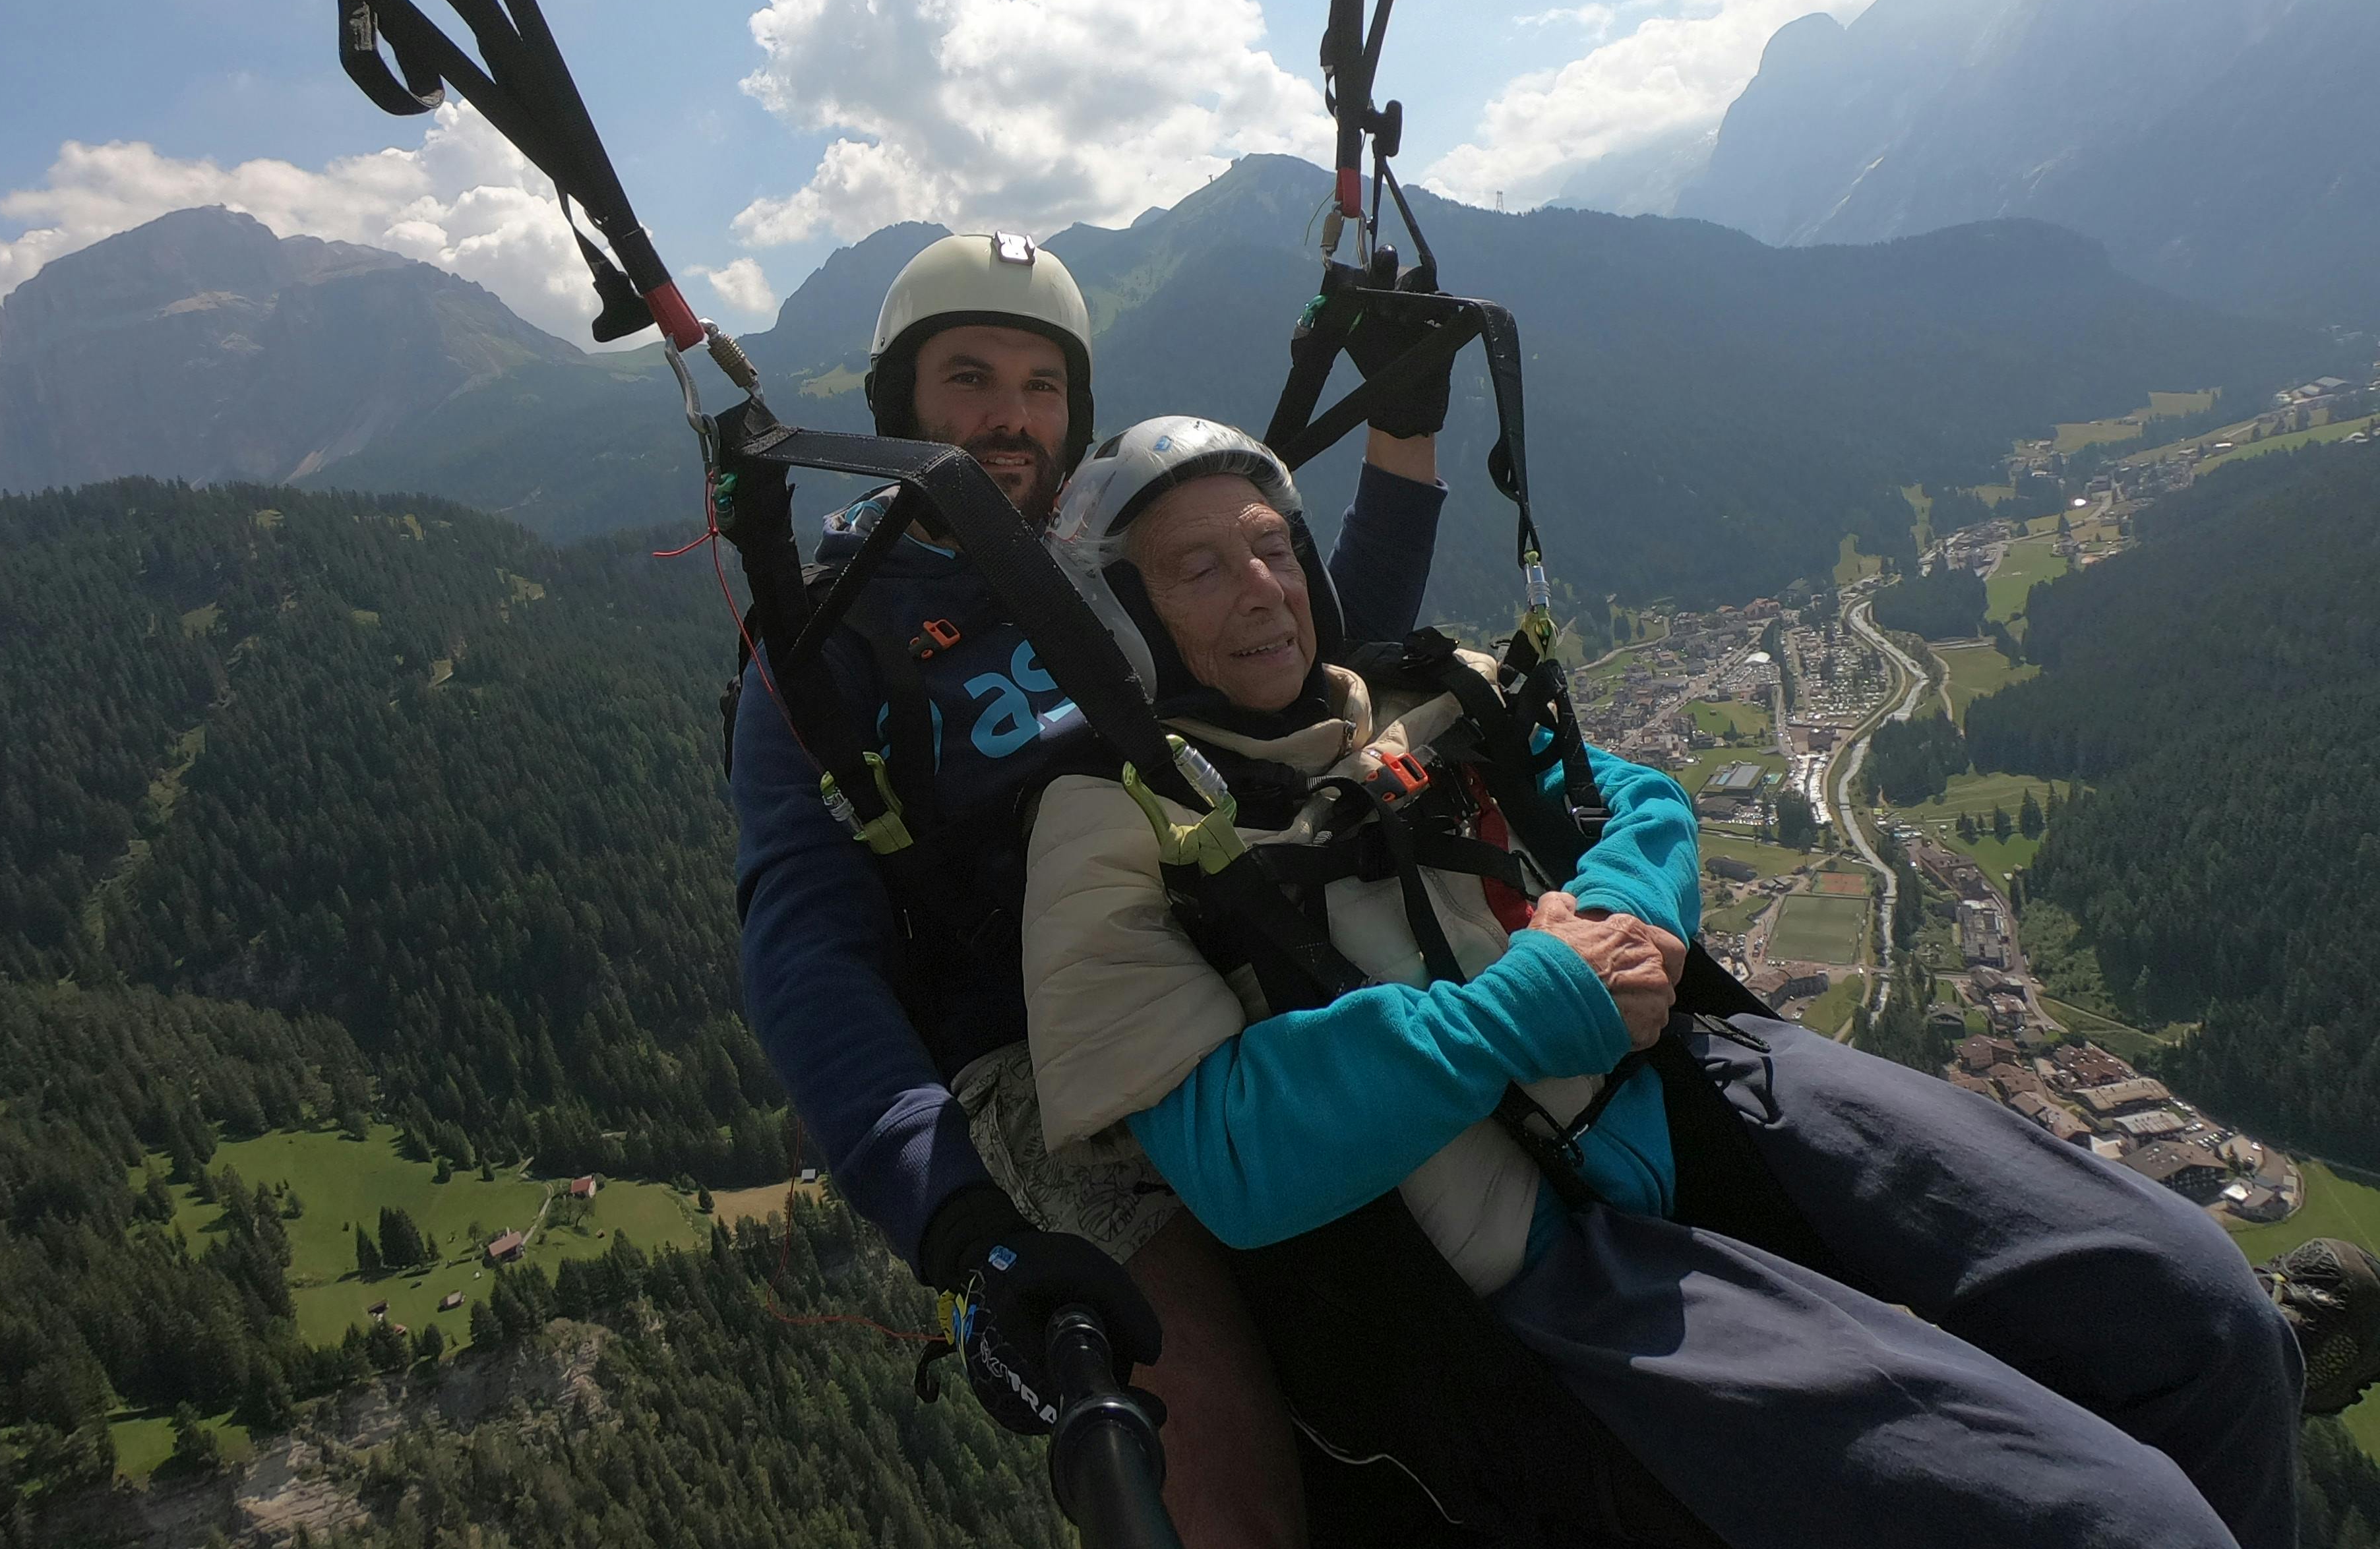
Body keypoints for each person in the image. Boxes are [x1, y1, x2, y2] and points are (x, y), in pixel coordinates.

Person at [1010, 415, 2375, 1549]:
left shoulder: (1418, 692)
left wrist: (1615, 927)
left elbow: (1639, 807)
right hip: (1550, 1247)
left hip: (1702, 1081)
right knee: (2123, 1529)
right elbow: (1233, 1156)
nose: (1260, 587)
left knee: (2205, 1317)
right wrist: (1529, 1000)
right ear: (1120, 616)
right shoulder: (1107, 831)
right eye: (1195, 568)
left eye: (1269, 547)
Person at [731, 233, 1455, 1547]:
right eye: (970, 378)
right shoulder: (828, 638)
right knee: (1209, 1434)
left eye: (1041, 384)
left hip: (1234, 943)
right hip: (1033, 1069)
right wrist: (960, 1221)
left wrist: (1401, 440)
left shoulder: (1102, 554)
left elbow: (1299, 656)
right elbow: (805, 953)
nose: (1009, 416)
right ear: (900, 403)